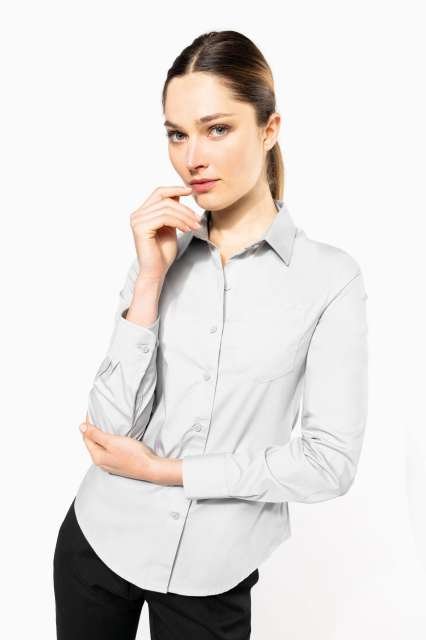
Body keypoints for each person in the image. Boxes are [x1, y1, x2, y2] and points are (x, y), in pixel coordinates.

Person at [53, 29, 369, 640]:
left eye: (216, 129)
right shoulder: (162, 252)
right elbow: (108, 430)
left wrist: (168, 471)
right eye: (177, 134)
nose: (192, 157)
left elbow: (329, 463)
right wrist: (150, 280)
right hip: (99, 543)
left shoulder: (329, 280)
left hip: (212, 572)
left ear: (269, 129)